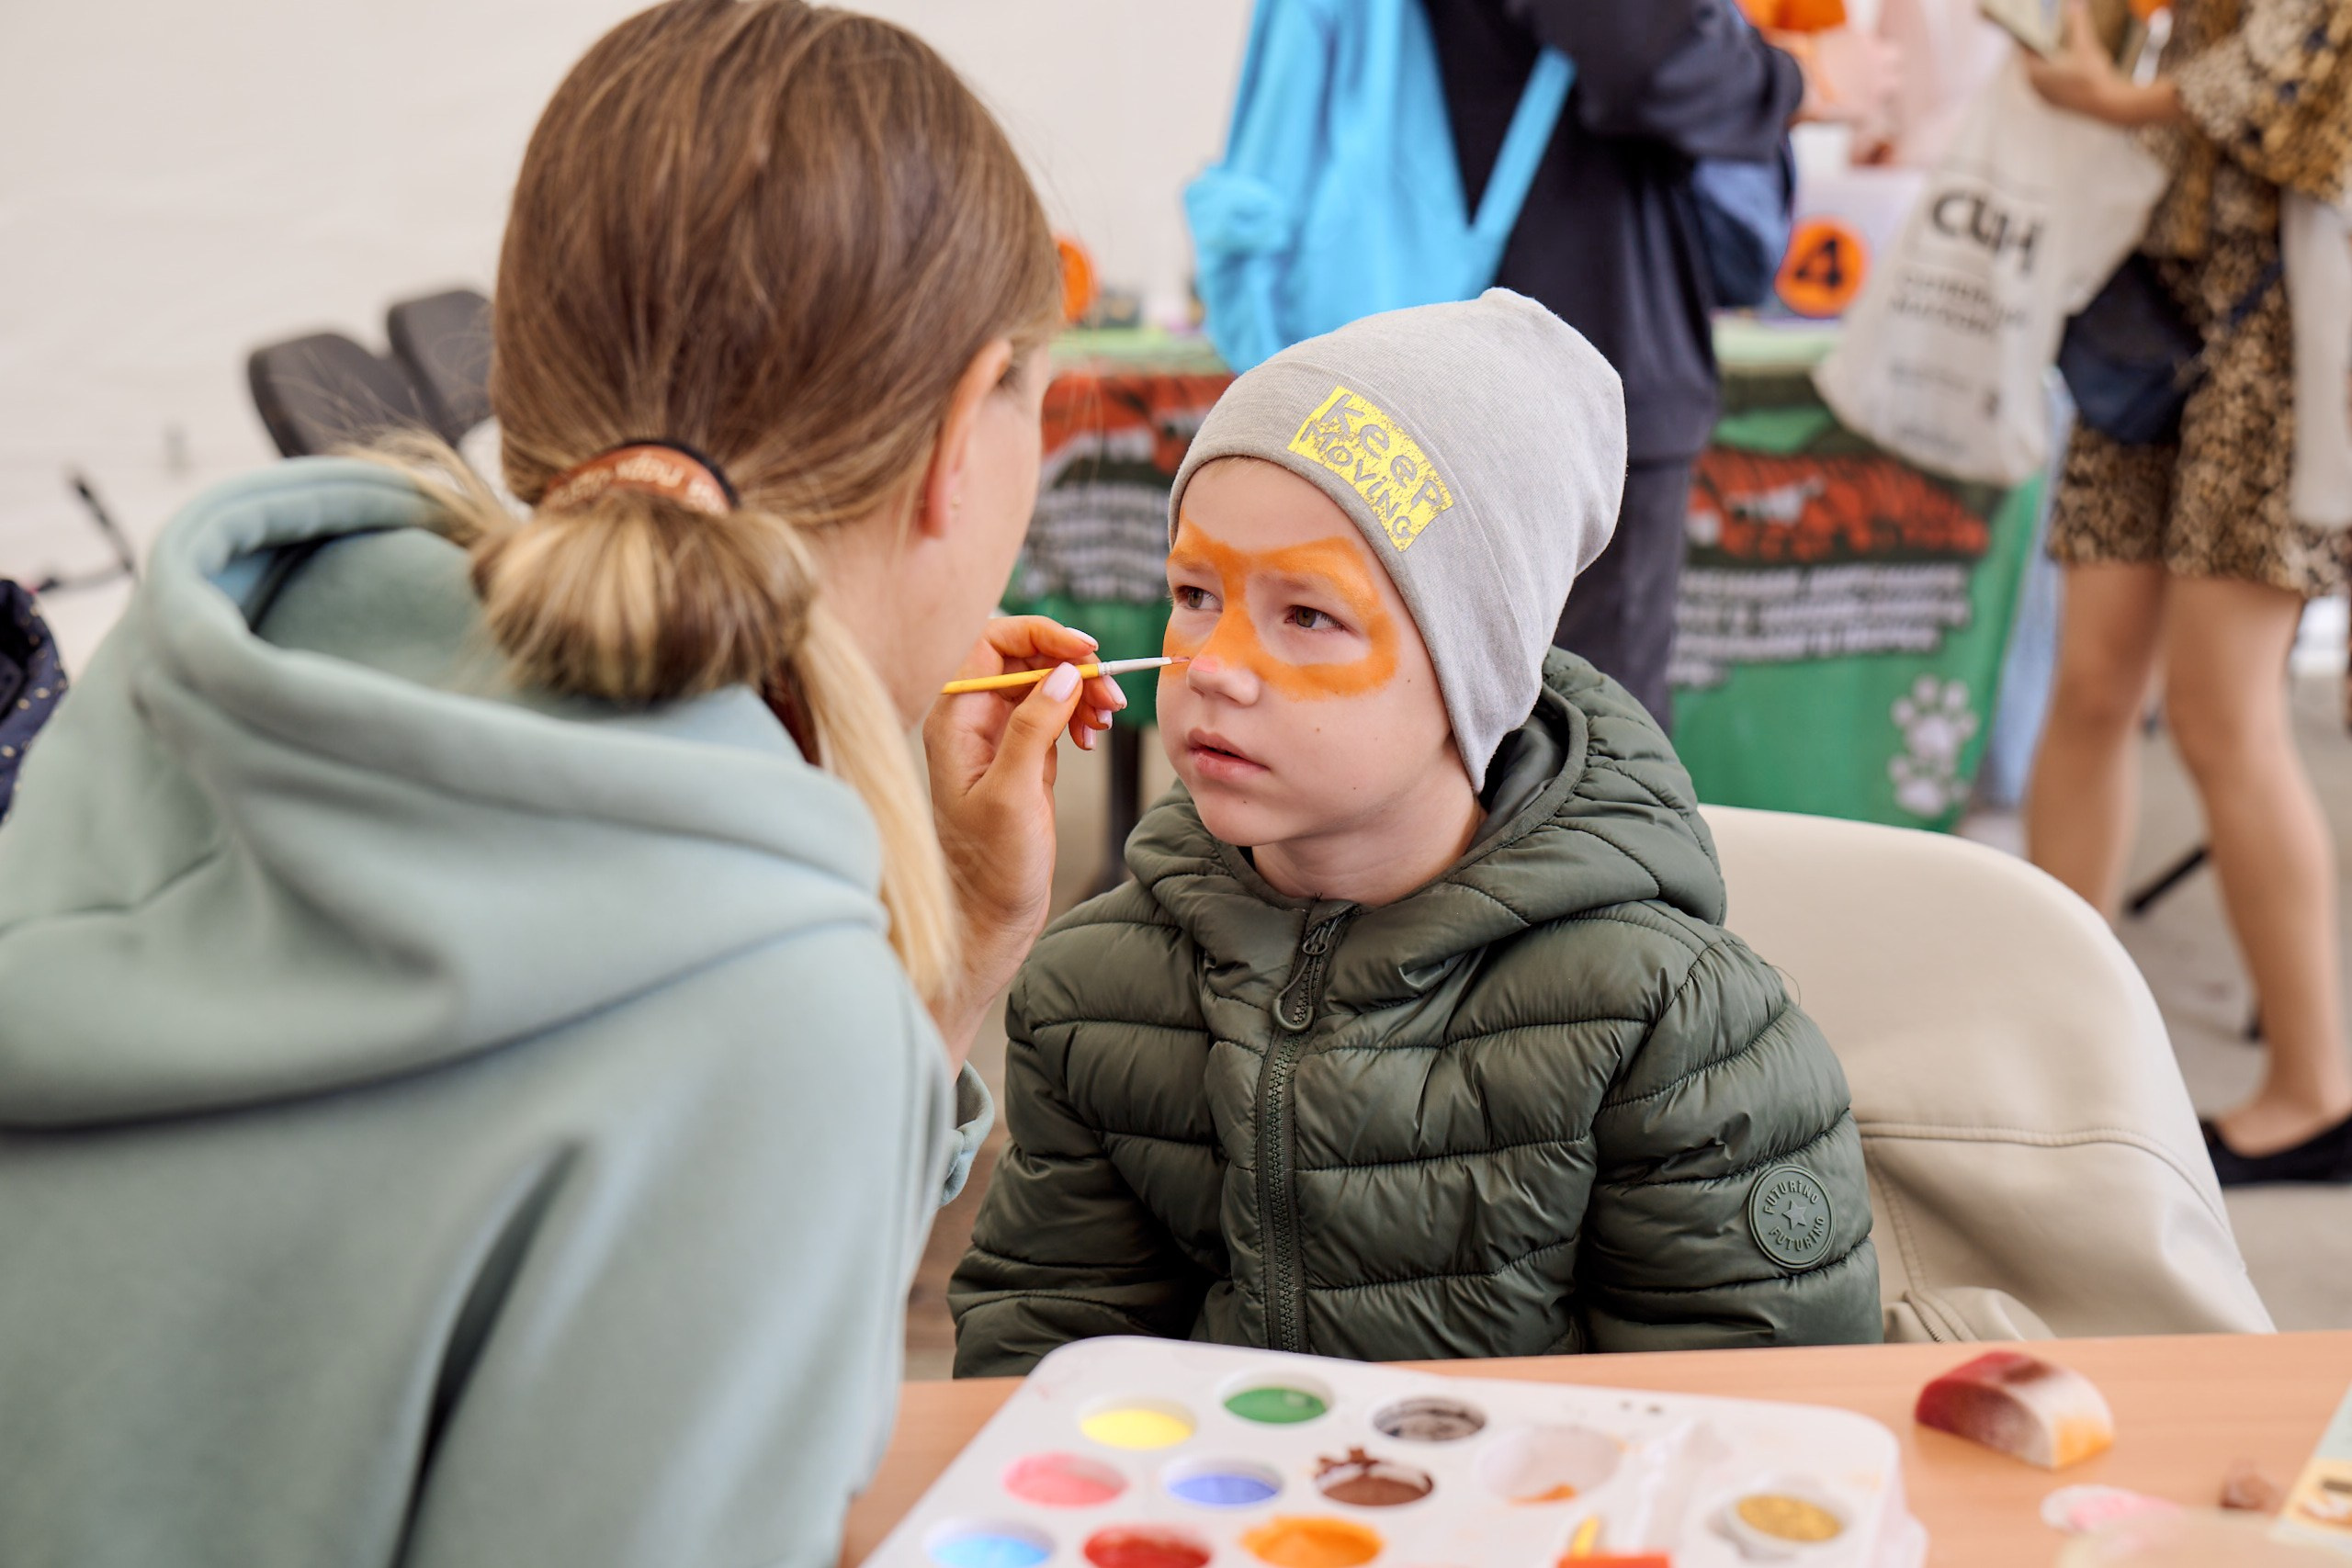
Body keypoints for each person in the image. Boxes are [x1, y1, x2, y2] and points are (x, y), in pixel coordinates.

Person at [0, 4, 1129, 1563]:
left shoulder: (187, 685)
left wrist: (941, 971)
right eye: (1037, 409)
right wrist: (853, 1006)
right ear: (961, 433)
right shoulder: (765, 1025)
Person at [948, 291, 1880, 1373]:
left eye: (1308, 615)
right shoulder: (1093, 990)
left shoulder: (1672, 1026)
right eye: (1195, 592)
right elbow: (1045, 1361)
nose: (1214, 667)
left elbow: (1756, 1417)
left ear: (1473, 671)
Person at [2024, 0, 2352, 1184]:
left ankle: (2315, 1089)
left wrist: (2124, 97)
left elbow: (2297, 72)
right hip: (2148, 303)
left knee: (2223, 712)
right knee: (2093, 676)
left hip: (2285, 330)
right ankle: (2054, 1039)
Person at [1421, 0, 1854, 728]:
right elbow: (1650, 56)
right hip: (1575, 340)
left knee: (1463, 720)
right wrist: (1803, 78)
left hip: (1466, 331)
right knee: (1588, 747)